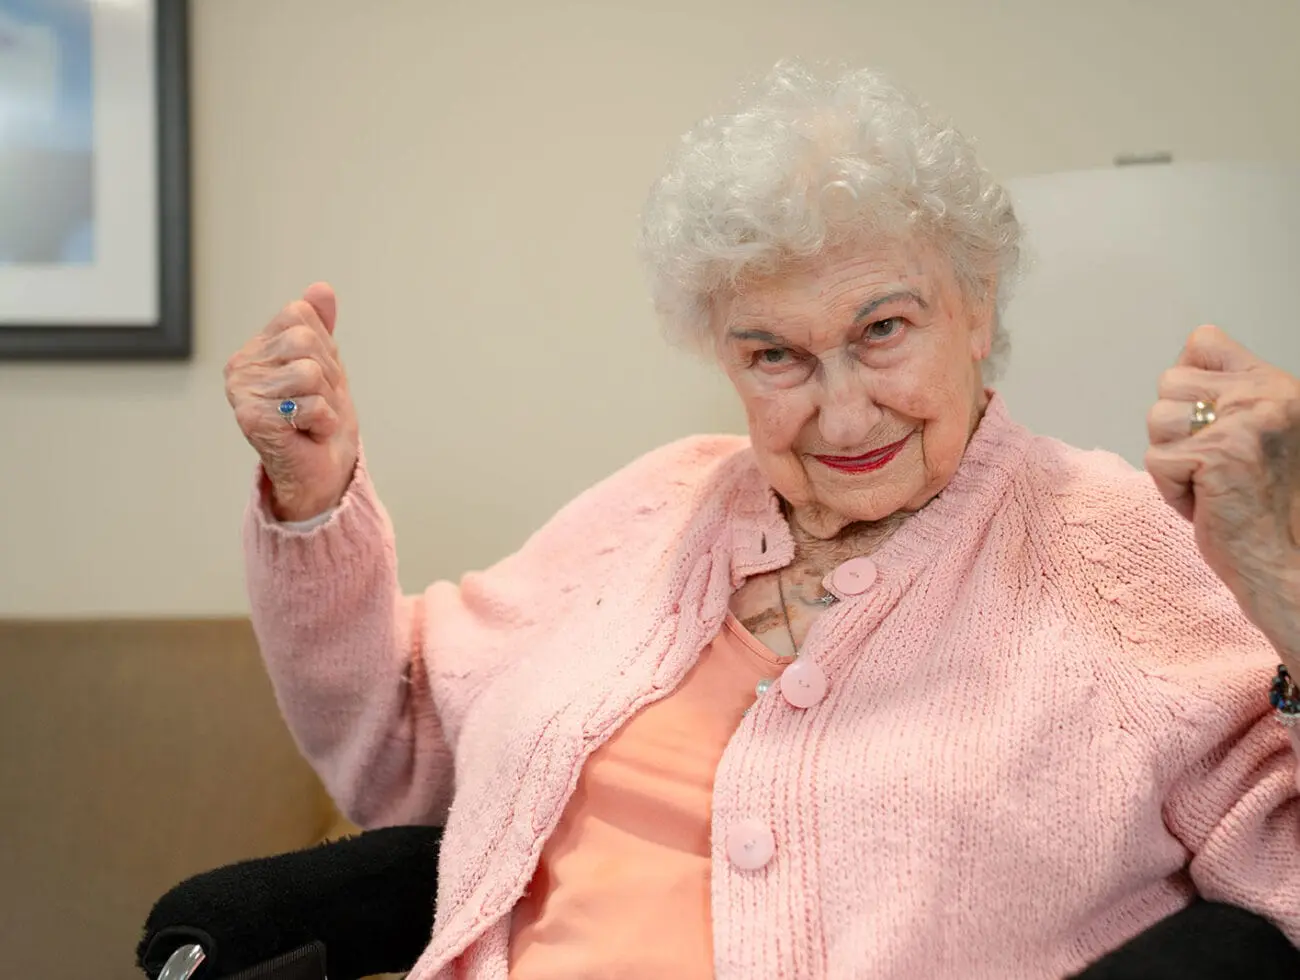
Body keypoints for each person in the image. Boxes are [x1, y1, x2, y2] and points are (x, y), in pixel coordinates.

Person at [223, 62, 1300, 979]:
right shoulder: (660, 504)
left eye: (881, 327)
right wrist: (316, 500)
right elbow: (402, 753)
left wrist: (1278, 571)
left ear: (977, 308)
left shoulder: (1107, 542)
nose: (839, 407)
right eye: (773, 353)